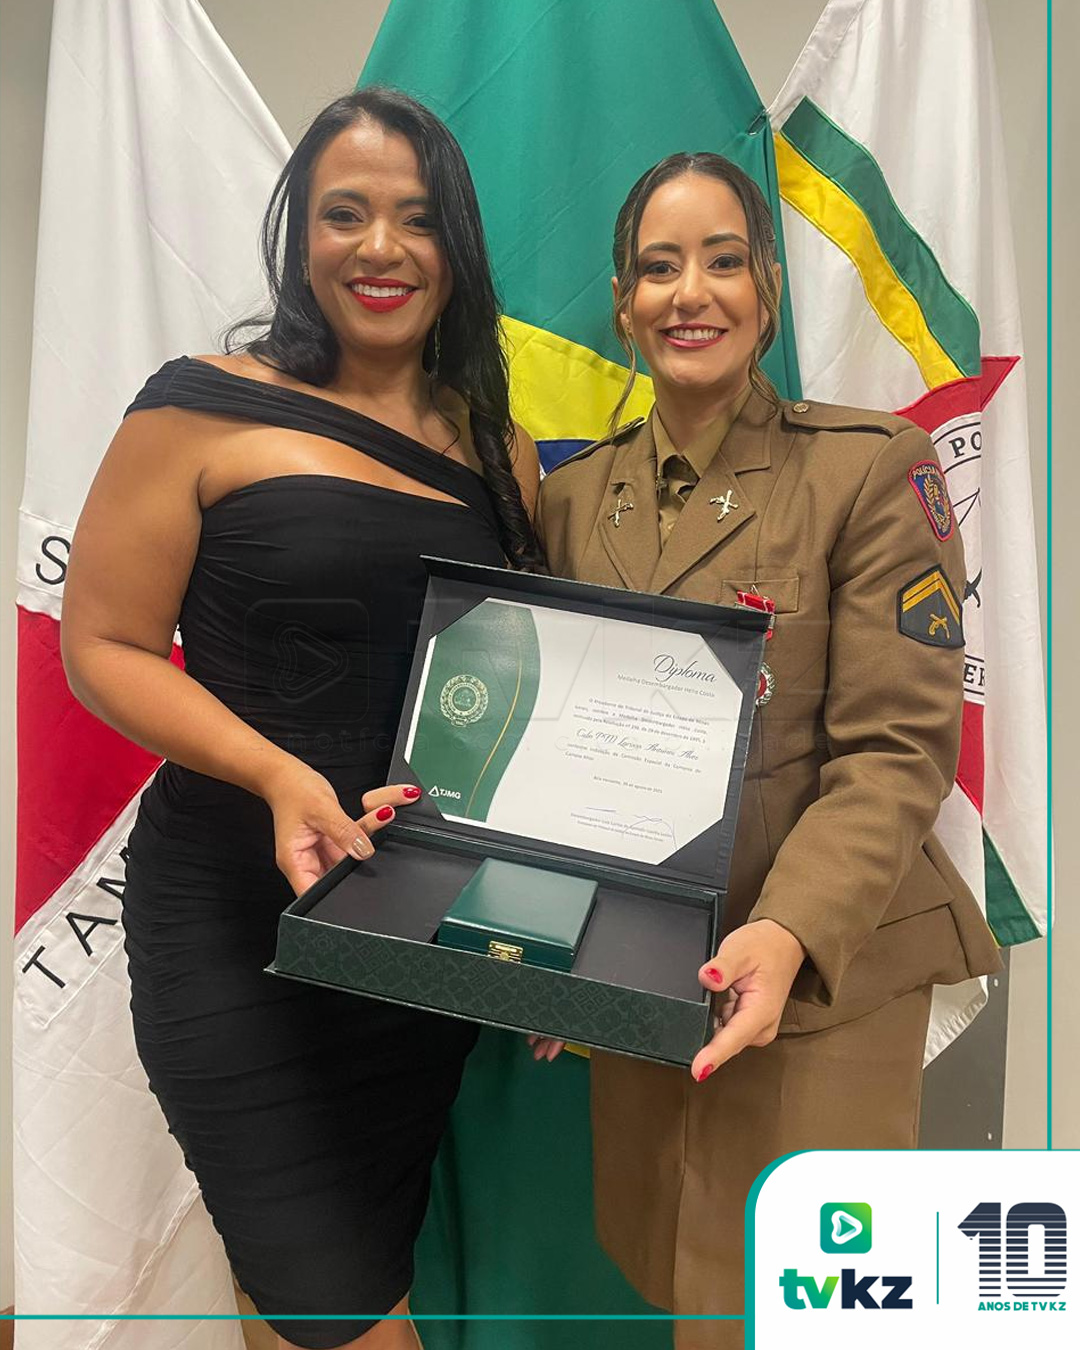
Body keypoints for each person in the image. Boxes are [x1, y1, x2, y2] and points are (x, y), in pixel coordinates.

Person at [60, 87, 540, 1350]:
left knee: (301, 1299)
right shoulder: (198, 407)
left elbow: (519, 696)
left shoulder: (501, 451)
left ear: (457, 247)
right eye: (346, 214)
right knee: (340, 1307)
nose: (381, 248)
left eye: (416, 219)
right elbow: (101, 647)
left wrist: (568, 941)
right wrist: (278, 776)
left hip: (414, 944)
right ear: (300, 233)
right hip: (234, 927)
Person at [534, 153, 1001, 1348]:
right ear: (625, 305)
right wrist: (547, 945)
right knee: (678, 1273)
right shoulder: (573, 502)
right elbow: (560, 750)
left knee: (813, 1305)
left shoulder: (868, 468)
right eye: (659, 268)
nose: (691, 292)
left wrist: (788, 932)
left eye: (724, 261)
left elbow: (896, 750)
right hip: (647, 980)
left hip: (822, 978)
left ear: (770, 293)